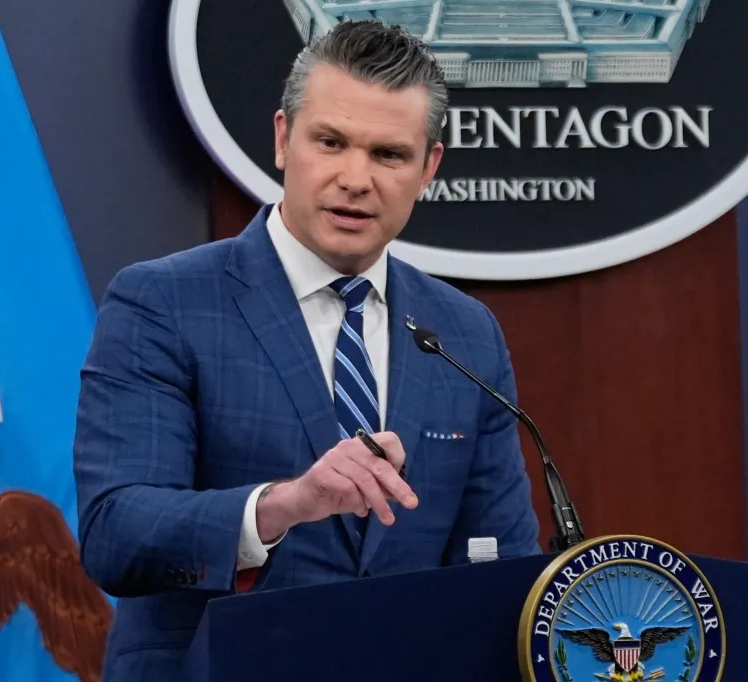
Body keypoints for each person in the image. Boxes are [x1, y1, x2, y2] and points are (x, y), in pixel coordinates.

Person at [72, 18, 541, 681]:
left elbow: (500, 568)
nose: (356, 178)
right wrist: (284, 505)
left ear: (429, 166)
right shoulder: (165, 303)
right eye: (331, 142)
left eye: (388, 154)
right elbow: (116, 535)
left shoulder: (464, 333)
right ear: (283, 139)